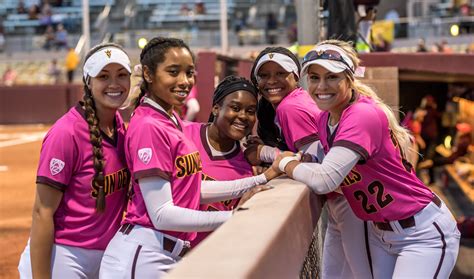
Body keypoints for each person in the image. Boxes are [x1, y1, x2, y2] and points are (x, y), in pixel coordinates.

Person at [274, 39, 460, 278]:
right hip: (381, 233)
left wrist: (282, 162)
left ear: (350, 79)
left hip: (421, 233)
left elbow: (325, 180)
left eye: (332, 77)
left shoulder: (361, 114)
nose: (321, 86)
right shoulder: (325, 118)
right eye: (314, 77)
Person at [99, 37, 278, 278]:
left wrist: (259, 180)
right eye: (173, 72)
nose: (184, 81)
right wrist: (233, 217)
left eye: (189, 73)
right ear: (149, 75)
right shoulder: (149, 125)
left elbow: (191, 189)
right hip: (144, 255)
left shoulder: (169, 120)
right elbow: (162, 214)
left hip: (163, 252)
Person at [247, 46, 373, 279]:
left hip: (352, 199)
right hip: (345, 199)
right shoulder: (291, 102)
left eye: (280, 73)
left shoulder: (290, 106)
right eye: (264, 75)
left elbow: (318, 163)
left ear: (296, 76)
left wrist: (265, 154)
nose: (271, 81)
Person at [18, 43, 132, 278]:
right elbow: (42, 212)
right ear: (88, 82)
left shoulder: (119, 127)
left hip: (105, 255)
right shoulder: (66, 133)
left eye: (122, 75)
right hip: (62, 255)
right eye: (103, 76)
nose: (114, 84)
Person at [184, 75, 273, 247]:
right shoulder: (182, 134)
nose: (243, 116)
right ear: (216, 108)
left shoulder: (246, 170)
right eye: (235, 107)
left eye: (250, 111)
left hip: (205, 258)